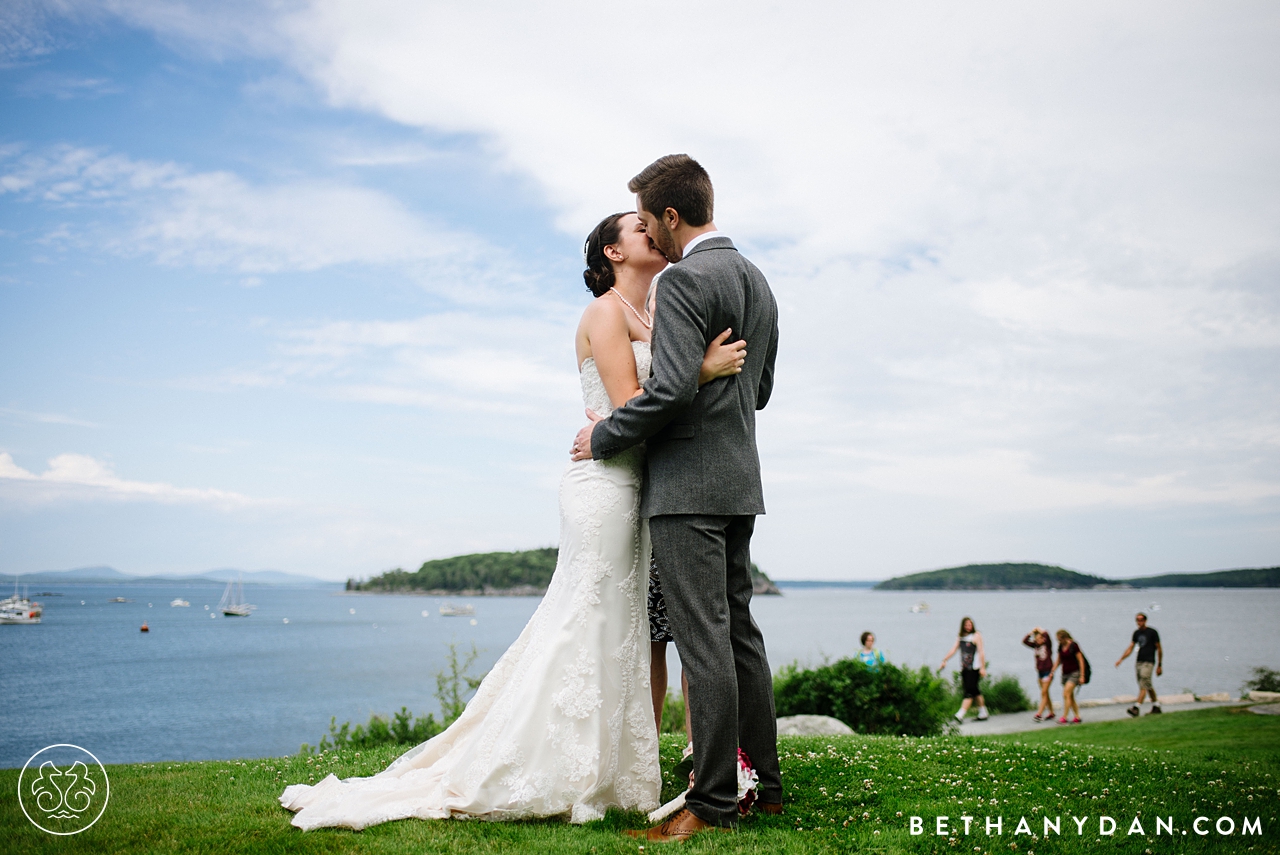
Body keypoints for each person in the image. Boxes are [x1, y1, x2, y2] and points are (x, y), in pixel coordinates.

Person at [278, 211, 746, 830]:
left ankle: (613, 769)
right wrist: (703, 371)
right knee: (587, 617)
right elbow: (634, 405)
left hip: (641, 482)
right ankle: (536, 761)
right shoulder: (604, 313)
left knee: (626, 629)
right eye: (639, 230)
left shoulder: (655, 314)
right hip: (604, 483)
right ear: (612, 251)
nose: (653, 236)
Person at [571, 154, 783, 842]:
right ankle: (767, 788)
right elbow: (762, 391)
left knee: (702, 641)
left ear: (668, 216)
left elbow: (662, 393)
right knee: (741, 635)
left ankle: (713, 799)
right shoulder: (758, 279)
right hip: (739, 478)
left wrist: (604, 437)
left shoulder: (688, 279)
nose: (653, 242)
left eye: (650, 222)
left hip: (688, 485)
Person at [938, 617, 989, 721]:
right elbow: (954, 649)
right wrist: (945, 659)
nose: (968, 627)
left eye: (970, 625)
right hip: (965, 668)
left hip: (974, 668)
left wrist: (983, 668)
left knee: (969, 691)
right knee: (975, 690)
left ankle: (960, 714)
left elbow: (981, 652)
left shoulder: (976, 636)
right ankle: (983, 712)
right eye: (966, 625)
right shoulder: (961, 637)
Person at [1115, 612, 1163, 716]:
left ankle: (1136, 707)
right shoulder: (1136, 633)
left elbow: (1159, 648)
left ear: (1145, 621)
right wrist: (1121, 659)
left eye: (1141, 620)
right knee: (1147, 685)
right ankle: (1156, 706)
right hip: (1139, 661)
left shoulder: (1152, 632)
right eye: (1137, 620)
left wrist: (1159, 665)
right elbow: (1131, 647)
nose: (1139, 622)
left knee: (1144, 684)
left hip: (1149, 662)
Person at [1050, 628, 1085, 724]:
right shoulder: (1061, 646)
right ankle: (1077, 716)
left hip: (1075, 673)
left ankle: (1064, 717)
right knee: (1070, 696)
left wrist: (1082, 675)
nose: (1059, 641)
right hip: (1065, 673)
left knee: (1065, 694)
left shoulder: (1074, 645)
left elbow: (1080, 660)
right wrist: (1053, 670)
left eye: (1060, 639)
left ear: (1065, 637)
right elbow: (1059, 660)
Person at [1022, 627, 1055, 722]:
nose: (1038, 641)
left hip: (1048, 671)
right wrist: (1031, 632)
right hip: (1040, 672)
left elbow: (1047, 635)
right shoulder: (1035, 646)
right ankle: (1051, 712)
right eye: (1036, 639)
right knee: (1045, 693)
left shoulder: (1047, 646)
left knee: (1043, 692)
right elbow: (1024, 641)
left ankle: (1039, 713)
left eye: (1040, 639)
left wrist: (1039, 629)